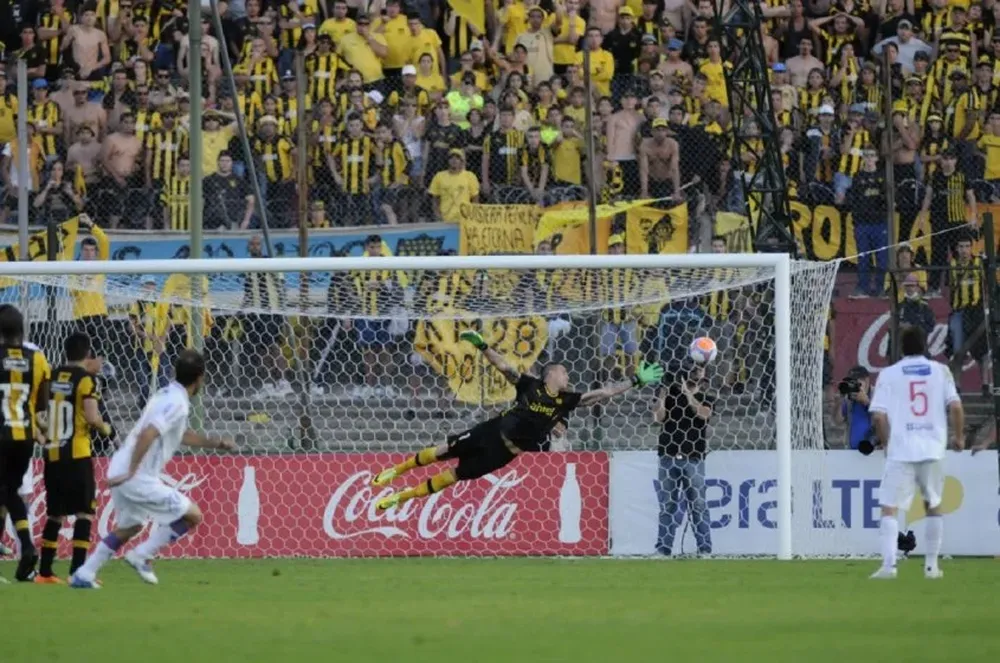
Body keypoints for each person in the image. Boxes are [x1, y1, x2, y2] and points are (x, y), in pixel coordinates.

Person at [370, 331, 664, 511]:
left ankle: (402, 497)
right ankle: (398, 470)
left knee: (454, 476)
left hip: (505, 453)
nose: (567, 376)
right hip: (491, 431)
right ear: (551, 374)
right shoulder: (530, 385)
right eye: (564, 372)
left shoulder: (567, 400)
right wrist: (483, 346)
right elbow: (504, 367)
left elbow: (603, 393)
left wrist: (635, 381)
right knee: (444, 450)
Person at [70, 351, 236, 589]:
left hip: (120, 467)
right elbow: (148, 433)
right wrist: (132, 471)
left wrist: (217, 444)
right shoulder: (177, 403)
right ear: (200, 378)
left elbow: (180, 435)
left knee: (130, 527)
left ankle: (84, 573)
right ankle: (142, 555)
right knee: (193, 515)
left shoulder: (165, 394)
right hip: (135, 475)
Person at [868, 325, 964, 579]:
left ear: (901, 348)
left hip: (901, 449)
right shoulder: (941, 371)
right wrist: (959, 437)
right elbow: (956, 406)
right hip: (932, 447)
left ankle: (889, 567)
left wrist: (886, 443)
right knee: (933, 505)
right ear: (926, 346)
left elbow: (878, 416)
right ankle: (931, 567)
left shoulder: (889, 374)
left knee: (890, 507)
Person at [35, 332, 114, 584]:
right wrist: (106, 429)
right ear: (88, 354)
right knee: (84, 513)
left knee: (55, 514)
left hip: (53, 453)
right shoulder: (87, 380)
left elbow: (39, 412)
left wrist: (44, 434)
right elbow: (91, 417)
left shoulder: (52, 375)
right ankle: (78, 572)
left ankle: (44, 572)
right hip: (77, 453)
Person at [0, 305, 51, 582]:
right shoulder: (38, 358)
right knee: (9, 491)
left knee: (6, 492)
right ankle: (27, 547)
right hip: (24, 438)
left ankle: (27, 545)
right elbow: (42, 403)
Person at [653, 360, 715, 557]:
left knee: (698, 505)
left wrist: (688, 394)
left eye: (699, 371)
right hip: (668, 456)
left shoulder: (707, 397)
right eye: (693, 370)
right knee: (667, 506)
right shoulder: (671, 394)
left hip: (693, 458)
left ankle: (704, 549)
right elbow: (658, 418)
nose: (696, 374)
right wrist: (663, 393)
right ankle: (663, 549)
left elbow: (703, 414)